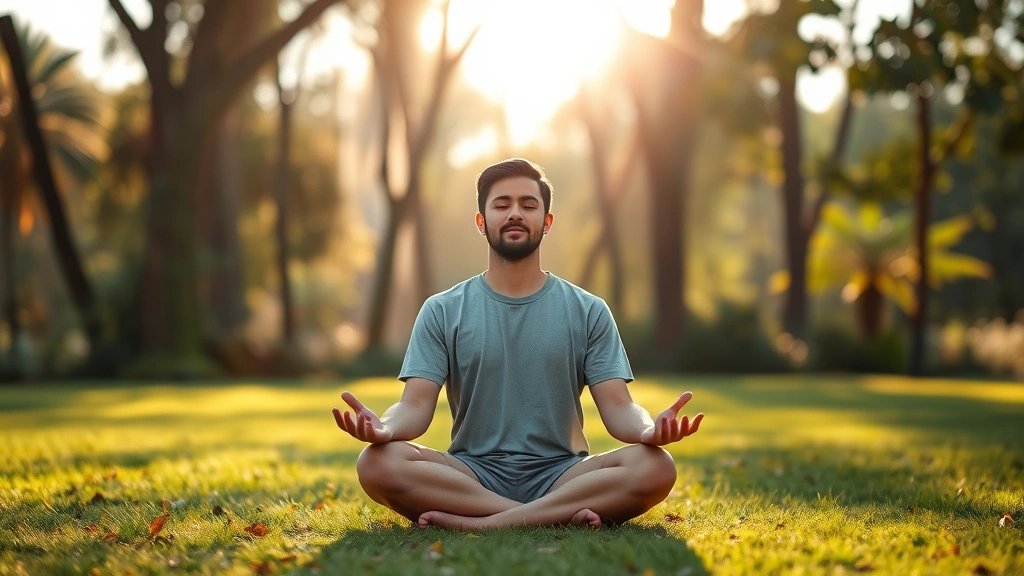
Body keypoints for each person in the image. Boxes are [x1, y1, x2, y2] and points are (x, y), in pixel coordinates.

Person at [333, 158, 704, 530]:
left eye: (528, 205)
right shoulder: (442, 310)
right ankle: (545, 515)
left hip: (563, 475)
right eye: (501, 204)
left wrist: (647, 430)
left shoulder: (588, 310)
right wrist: (384, 427)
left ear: (547, 221)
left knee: (655, 466)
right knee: (376, 462)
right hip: (470, 474)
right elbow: (414, 403)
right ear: (482, 222)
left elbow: (619, 405)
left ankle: (486, 522)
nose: (515, 214)